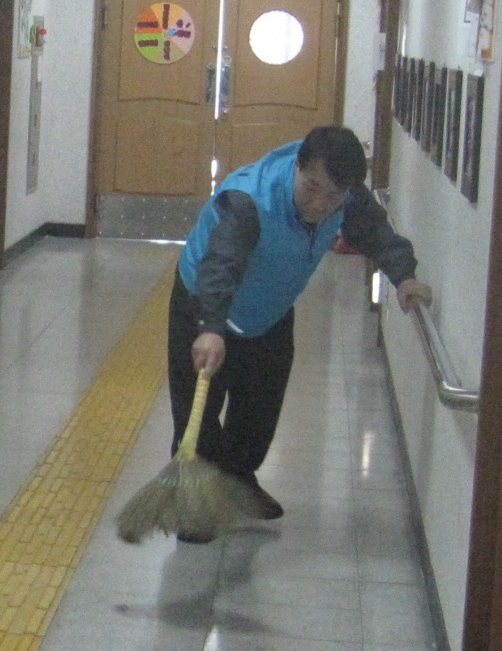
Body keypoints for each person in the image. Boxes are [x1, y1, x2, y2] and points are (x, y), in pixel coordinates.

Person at [172, 126, 431, 529]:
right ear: (297, 167)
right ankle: (192, 508)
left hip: (269, 313)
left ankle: (238, 481)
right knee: (199, 414)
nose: (320, 205)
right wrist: (210, 327)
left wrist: (405, 277)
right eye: (311, 187)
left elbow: (379, 235)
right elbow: (219, 265)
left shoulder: (346, 201)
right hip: (203, 307)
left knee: (259, 411)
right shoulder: (249, 201)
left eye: (333, 195)